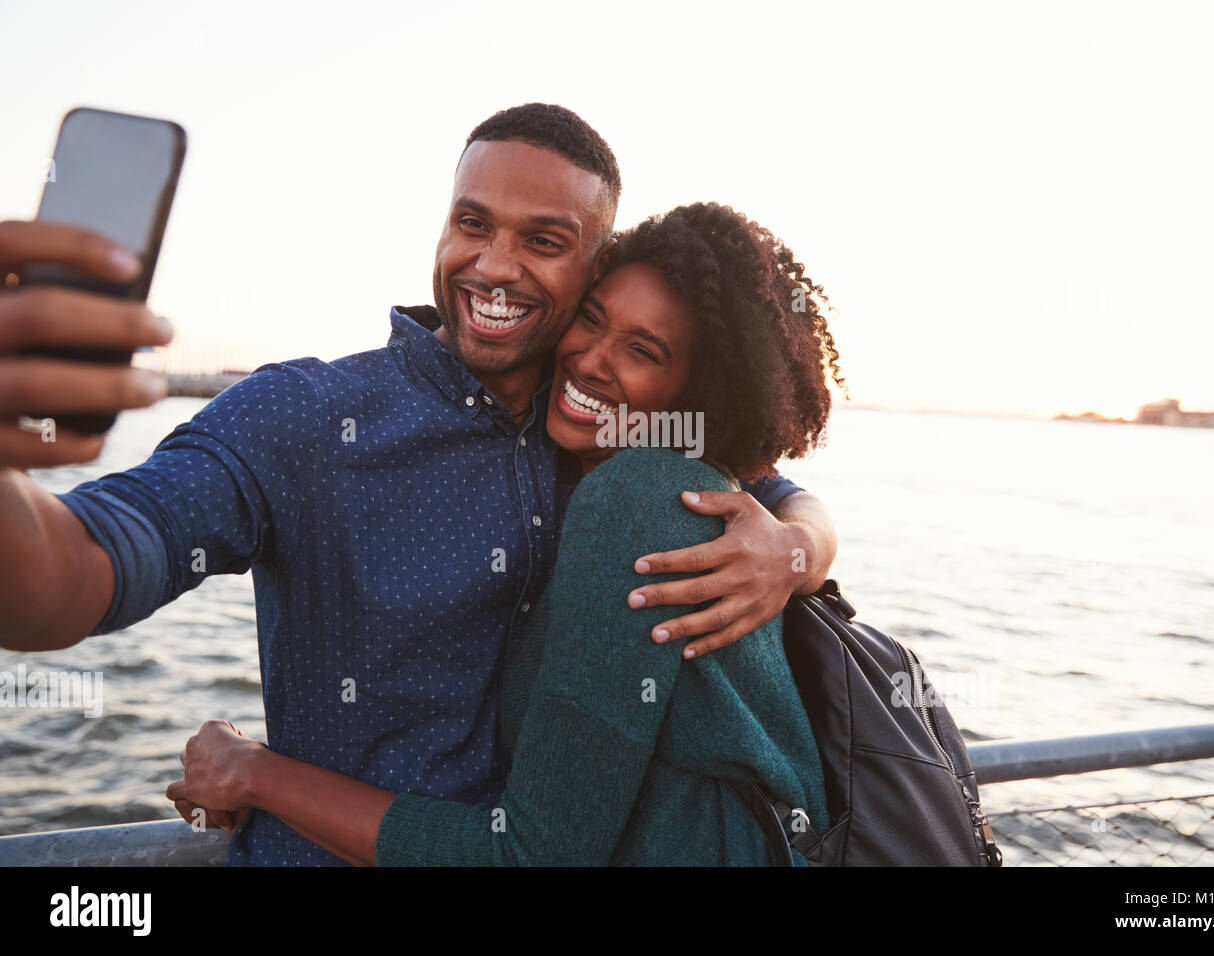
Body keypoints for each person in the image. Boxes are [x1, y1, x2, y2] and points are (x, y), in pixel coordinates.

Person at [0, 104, 838, 864]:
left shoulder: (601, 425)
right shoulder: (306, 416)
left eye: (544, 241)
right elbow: (76, 572)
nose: (494, 266)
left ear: (597, 264)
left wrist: (796, 549)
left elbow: (763, 485)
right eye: (472, 223)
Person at [167, 201, 845, 865]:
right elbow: (788, 499)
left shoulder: (633, 502)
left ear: (700, 392)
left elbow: (528, 855)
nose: (590, 360)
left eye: (642, 350)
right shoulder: (669, 479)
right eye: (591, 318)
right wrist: (801, 545)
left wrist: (256, 774)